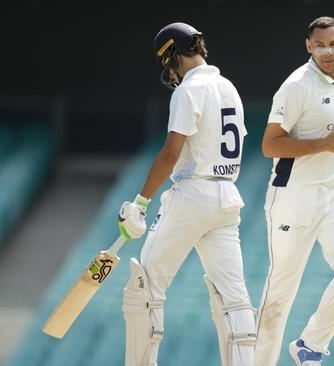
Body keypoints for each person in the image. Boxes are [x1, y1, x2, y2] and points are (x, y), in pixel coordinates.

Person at [117, 22, 255, 366]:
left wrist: (140, 202)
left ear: (173, 56)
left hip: (193, 194)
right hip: (227, 197)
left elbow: (170, 154)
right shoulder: (228, 87)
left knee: (144, 288)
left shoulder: (189, 90)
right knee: (234, 300)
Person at [254, 16, 334, 366]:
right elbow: (270, 146)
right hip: (294, 198)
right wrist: (325, 145)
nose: (326, 51)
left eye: (333, 44)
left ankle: (311, 344)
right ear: (308, 46)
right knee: (278, 296)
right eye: (319, 45)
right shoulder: (296, 85)